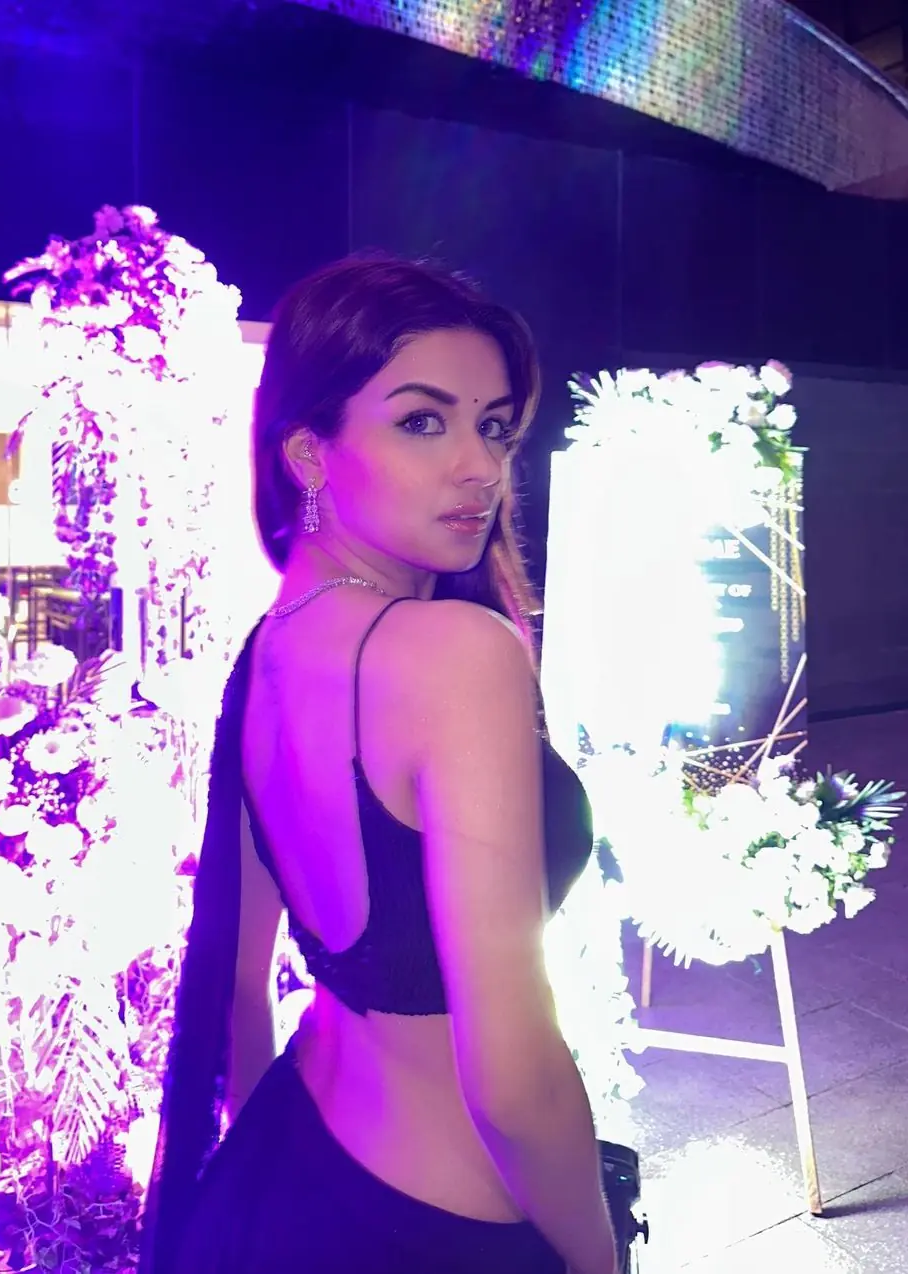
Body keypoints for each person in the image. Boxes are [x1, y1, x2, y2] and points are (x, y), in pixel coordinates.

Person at [139, 255, 618, 1274]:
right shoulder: (456, 654)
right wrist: (597, 1257)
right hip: (440, 1218)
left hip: (285, 1160)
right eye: (423, 421)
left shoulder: (270, 648)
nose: (480, 466)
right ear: (309, 454)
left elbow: (239, 977)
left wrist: (258, 1171)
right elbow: (512, 1080)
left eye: (495, 426)